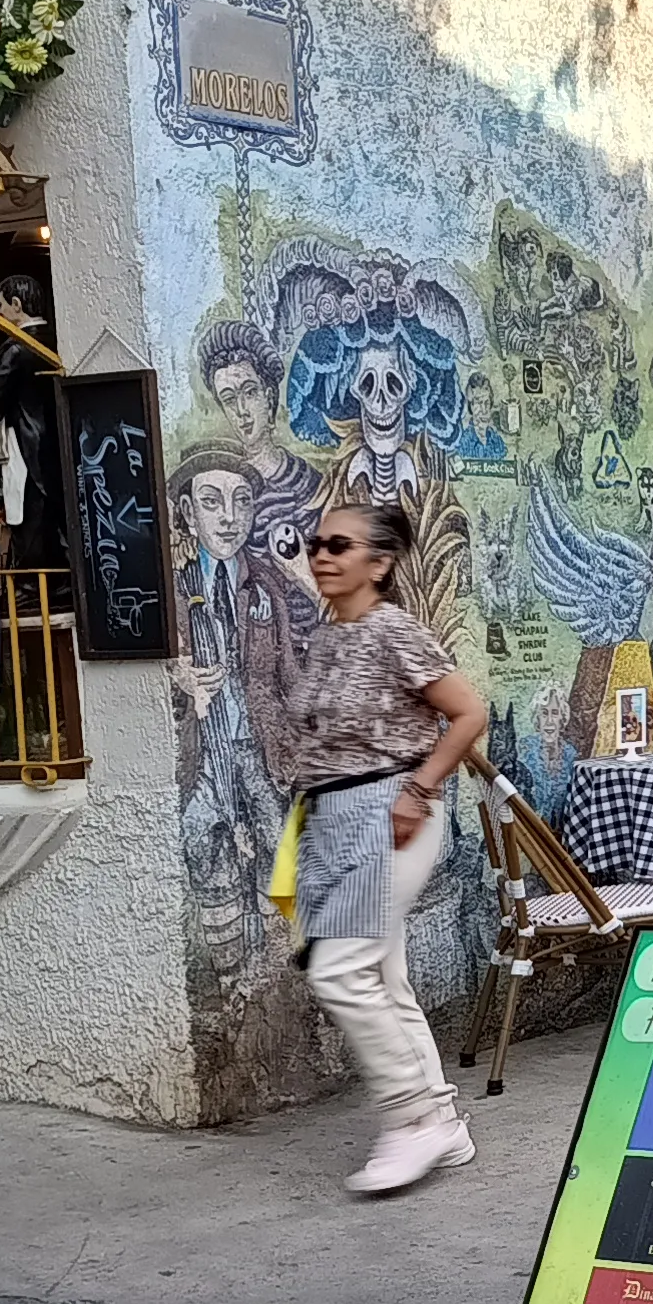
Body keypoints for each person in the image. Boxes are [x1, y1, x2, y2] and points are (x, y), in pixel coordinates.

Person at [253, 498, 492, 1198]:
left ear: (379, 564)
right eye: (316, 544)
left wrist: (418, 791)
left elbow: (469, 711)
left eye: (339, 545)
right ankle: (442, 1120)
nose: (321, 555)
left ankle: (409, 1119)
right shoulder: (330, 637)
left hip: (389, 812)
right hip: (331, 818)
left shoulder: (394, 632)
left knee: (341, 971)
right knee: (382, 978)